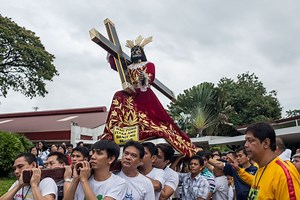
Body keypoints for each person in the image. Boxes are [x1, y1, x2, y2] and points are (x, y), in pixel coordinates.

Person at [101, 35, 196, 157]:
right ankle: (116, 127)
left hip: (143, 91)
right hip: (130, 91)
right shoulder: (128, 66)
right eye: (133, 51)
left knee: (153, 115)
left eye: (137, 51)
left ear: (142, 53)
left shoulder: (149, 64)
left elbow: (150, 77)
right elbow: (117, 66)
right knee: (118, 95)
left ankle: (145, 125)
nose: (135, 53)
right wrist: (110, 50)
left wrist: (143, 78)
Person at [244, 122, 300, 199]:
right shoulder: (260, 169)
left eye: (250, 140)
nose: (245, 145)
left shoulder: (283, 174)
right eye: (246, 140)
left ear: (266, 143)